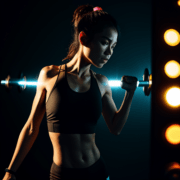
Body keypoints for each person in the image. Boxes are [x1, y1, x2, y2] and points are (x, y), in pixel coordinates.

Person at [3, 4, 137, 180]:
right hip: (62, 175)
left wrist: (130, 94)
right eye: (104, 42)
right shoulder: (50, 75)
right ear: (83, 38)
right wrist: (10, 171)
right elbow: (30, 128)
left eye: (113, 46)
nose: (109, 52)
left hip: (97, 172)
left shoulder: (101, 82)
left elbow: (115, 128)